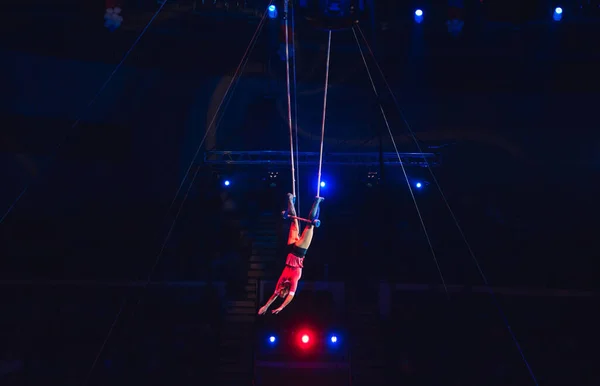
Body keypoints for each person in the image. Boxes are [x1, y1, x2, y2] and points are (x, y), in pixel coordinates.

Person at [258, 194, 324, 315]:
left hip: (299, 251)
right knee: (294, 220)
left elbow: (280, 296)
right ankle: (289, 199)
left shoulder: (288, 282)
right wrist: (268, 306)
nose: (280, 294)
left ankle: (317, 201)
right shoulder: (285, 282)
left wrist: (274, 307)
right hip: (291, 248)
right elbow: (278, 296)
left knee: (310, 224)